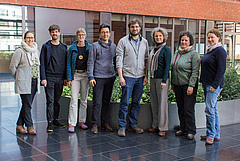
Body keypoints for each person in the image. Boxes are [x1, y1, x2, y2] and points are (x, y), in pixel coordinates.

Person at [116, 18, 149, 137]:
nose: (134, 29)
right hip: (127, 76)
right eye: (132, 27)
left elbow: (146, 60)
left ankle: (133, 125)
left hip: (140, 77)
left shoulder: (145, 42)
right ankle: (122, 126)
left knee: (136, 102)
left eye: (136, 27)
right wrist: (121, 76)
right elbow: (118, 59)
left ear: (140, 28)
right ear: (129, 28)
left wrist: (146, 76)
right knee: (124, 102)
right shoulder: (123, 41)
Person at [87, 23, 116, 134]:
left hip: (110, 78)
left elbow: (116, 61)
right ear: (100, 34)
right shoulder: (95, 46)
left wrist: (115, 75)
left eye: (107, 32)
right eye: (103, 32)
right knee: (97, 102)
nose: (105, 34)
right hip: (98, 78)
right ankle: (95, 124)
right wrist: (91, 77)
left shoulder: (113, 47)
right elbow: (91, 62)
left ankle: (105, 123)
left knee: (106, 102)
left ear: (109, 34)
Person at [9, 31, 40, 135]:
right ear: (24, 39)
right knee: (27, 104)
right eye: (28, 38)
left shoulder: (36, 50)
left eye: (32, 37)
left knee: (27, 104)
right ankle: (30, 126)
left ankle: (19, 124)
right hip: (24, 82)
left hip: (34, 81)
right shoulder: (20, 51)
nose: (30, 40)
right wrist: (18, 78)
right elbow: (12, 67)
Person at [171, 31, 200, 140]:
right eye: (182, 40)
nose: (183, 42)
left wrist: (191, 85)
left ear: (190, 42)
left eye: (186, 40)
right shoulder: (177, 52)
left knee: (188, 109)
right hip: (178, 85)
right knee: (181, 108)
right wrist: (173, 84)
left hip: (188, 85)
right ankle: (183, 128)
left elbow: (195, 72)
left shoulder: (193, 54)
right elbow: (173, 68)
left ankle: (191, 130)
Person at [200, 29, 226, 145]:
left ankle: (210, 135)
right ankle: (215, 133)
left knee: (209, 109)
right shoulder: (210, 50)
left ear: (218, 38)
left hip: (213, 85)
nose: (210, 40)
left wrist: (215, 85)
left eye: (212, 37)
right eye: (208, 37)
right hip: (207, 83)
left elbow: (221, 70)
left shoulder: (220, 51)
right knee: (213, 109)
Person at [40, 24, 68, 132]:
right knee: (50, 101)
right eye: (52, 32)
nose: (54, 33)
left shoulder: (64, 47)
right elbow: (42, 63)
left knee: (57, 101)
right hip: (49, 77)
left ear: (59, 33)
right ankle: (50, 123)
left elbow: (66, 64)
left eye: (56, 31)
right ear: (50, 33)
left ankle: (56, 120)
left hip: (60, 78)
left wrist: (66, 78)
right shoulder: (46, 46)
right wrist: (43, 78)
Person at [147, 27, 171, 136]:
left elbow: (167, 66)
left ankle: (163, 127)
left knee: (162, 104)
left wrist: (164, 80)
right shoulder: (153, 49)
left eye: (160, 36)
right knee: (154, 103)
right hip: (153, 78)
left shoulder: (166, 49)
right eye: (156, 36)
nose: (158, 37)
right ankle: (155, 125)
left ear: (164, 37)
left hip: (162, 80)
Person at [67, 28, 91, 133]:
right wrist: (69, 78)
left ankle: (82, 121)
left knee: (84, 100)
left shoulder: (89, 48)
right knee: (73, 99)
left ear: (85, 36)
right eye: (79, 35)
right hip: (75, 75)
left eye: (83, 34)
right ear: (77, 36)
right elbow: (68, 64)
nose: (81, 36)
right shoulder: (72, 48)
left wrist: (91, 77)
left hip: (85, 75)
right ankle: (72, 123)